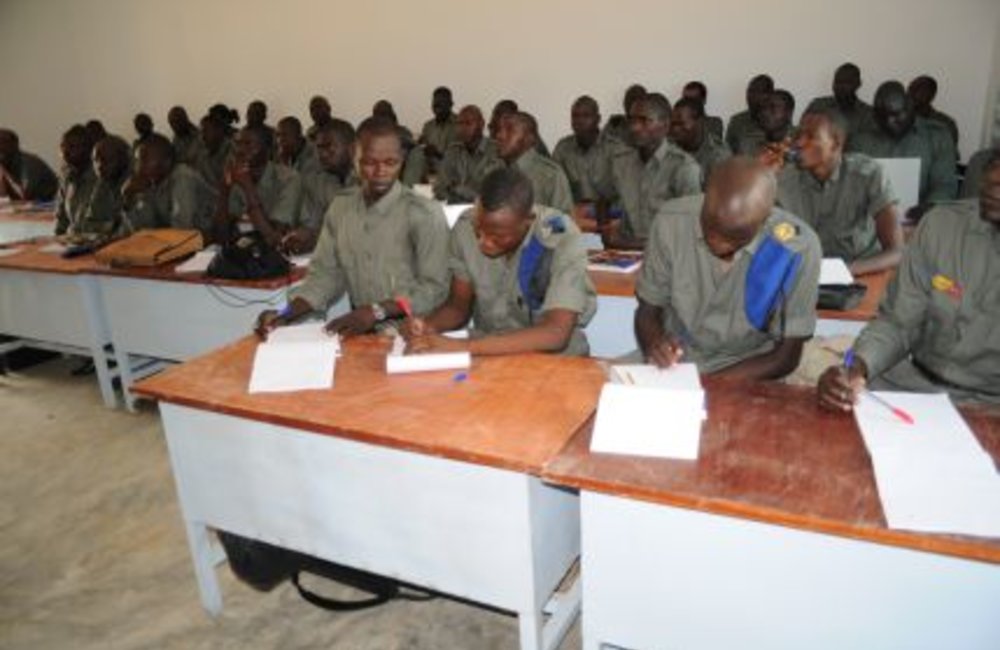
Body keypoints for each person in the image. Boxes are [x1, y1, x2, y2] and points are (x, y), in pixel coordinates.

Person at [817, 153, 1000, 408]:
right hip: (910, 384)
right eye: (994, 164)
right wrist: (857, 367)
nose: (992, 178)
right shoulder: (942, 226)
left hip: (989, 405)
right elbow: (898, 322)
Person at [255, 119, 449, 338]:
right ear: (354, 157)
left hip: (415, 333)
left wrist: (378, 310)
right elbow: (324, 275)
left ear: (402, 161)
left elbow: (435, 289)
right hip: (363, 333)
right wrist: (286, 314)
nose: (380, 171)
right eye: (369, 162)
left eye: (390, 162)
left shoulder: (424, 213)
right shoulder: (341, 208)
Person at [634, 156, 821, 379]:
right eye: (709, 226)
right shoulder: (671, 222)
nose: (717, 243)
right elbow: (647, 311)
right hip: (678, 361)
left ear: (764, 220)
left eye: (734, 237)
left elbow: (786, 357)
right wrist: (655, 344)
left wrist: (710, 385)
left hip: (750, 369)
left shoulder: (796, 249)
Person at [403, 167, 596, 356]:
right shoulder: (464, 227)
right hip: (488, 349)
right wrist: (428, 326)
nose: (484, 242)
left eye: (498, 237)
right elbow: (458, 307)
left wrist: (464, 347)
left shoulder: (559, 237)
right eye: (478, 230)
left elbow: (555, 333)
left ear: (528, 221)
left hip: (550, 358)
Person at [776, 109, 903, 275]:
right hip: (806, 274)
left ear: (836, 144)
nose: (799, 143)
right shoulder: (784, 179)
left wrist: (842, 271)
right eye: (798, 135)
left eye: (810, 137)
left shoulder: (868, 174)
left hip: (861, 272)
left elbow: (896, 252)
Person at [605, 93, 701, 249]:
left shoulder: (683, 167)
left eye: (644, 121)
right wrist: (606, 230)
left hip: (667, 255)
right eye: (632, 120)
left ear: (665, 125)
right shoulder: (621, 162)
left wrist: (631, 244)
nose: (635, 128)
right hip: (624, 253)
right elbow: (603, 199)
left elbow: (690, 231)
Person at [850, 81, 957, 219]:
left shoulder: (936, 137)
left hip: (923, 220)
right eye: (883, 116)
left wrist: (928, 208)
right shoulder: (861, 140)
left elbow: (944, 185)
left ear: (910, 107)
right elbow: (850, 186)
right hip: (869, 221)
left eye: (896, 114)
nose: (889, 122)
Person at [213, 125, 303, 249]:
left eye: (248, 144)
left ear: (268, 150)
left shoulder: (289, 179)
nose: (240, 150)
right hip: (241, 250)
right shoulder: (237, 177)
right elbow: (220, 236)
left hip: (278, 254)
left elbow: (274, 238)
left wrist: (248, 187)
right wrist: (224, 189)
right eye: (238, 144)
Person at [122, 133, 216, 234]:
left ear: (166, 162)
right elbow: (144, 227)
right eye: (138, 160)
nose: (138, 166)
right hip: (188, 238)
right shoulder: (153, 183)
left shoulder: (183, 177)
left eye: (144, 159)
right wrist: (129, 199)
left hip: (213, 237)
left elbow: (182, 229)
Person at [298, 120, 358, 252]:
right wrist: (302, 238)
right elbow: (312, 225)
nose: (323, 154)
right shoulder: (319, 180)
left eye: (329, 147)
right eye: (319, 148)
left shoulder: (371, 181)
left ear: (352, 148)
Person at [495, 111, 573, 213]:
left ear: (529, 139)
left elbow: (562, 219)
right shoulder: (493, 170)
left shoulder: (549, 174)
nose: (500, 136)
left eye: (510, 130)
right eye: (499, 130)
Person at [552, 95, 614, 206]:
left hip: (609, 212)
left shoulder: (614, 148)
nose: (580, 121)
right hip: (573, 212)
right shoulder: (563, 148)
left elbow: (625, 192)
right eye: (575, 116)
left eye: (586, 116)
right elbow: (554, 186)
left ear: (598, 119)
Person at [433, 105, 502, 203]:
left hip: (483, 208)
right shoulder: (453, 151)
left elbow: (492, 191)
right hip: (454, 206)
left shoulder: (495, 151)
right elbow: (440, 187)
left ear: (481, 124)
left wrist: (456, 189)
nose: (462, 129)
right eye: (459, 124)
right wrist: (456, 197)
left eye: (468, 123)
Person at [805, 63, 876, 145]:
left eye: (847, 82)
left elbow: (870, 144)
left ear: (858, 84)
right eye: (837, 82)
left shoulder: (868, 114)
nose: (841, 87)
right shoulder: (818, 106)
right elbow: (803, 135)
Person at [669, 97, 731, 187]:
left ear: (699, 122)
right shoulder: (669, 147)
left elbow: (719, 192)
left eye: (681, 123)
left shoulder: (719, 155)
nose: (675, 129)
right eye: (673, 124)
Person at [82, 135, 132, 236]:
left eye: (106, 160)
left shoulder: (136, 182)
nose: (99, 166)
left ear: (123, 159)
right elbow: (87, 224)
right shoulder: (103, 182)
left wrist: (107, 227)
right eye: (95, 160)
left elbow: (132, 227)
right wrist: (111, 225)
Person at [53, 124, 98, 236]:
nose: (65, 152)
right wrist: (57, 238)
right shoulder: (66, 175)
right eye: (63, 146)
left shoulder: (99, 176)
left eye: (72, 147)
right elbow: (61, 217)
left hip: (94, 238)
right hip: (72, 239)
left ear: (88, 149)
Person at [734, 89, 795, 160]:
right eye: (764, 107)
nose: (765, 112)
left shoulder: (800, 141)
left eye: (773, 107)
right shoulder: (748, 143)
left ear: (788, 113)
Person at [0, 128, 58, 201]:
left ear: (14, 145)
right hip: (27, 204)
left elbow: (27, 195)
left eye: (3, 142)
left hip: (47, 204)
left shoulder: (29, 164)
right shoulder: (5, 163)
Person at [908, 75, 959, 155]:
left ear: (931, 95)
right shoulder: (899, 120)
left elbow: (949, 154)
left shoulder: (945, 123)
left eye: (918, 90)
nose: (911, 93)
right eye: (910, 89)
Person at [725, 74, 773, 153]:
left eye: (758, 92)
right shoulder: (736, 121)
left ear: (769, 95)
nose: (751, 96)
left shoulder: (777, 119)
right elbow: (727, 152)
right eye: (750, 91)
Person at [419, 86, 458, 170]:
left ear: (451, 104)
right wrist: (419, 147)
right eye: (435, 102)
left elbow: (460, 158)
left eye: (441, 102)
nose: (437, 105)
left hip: (452, 174)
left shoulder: (460, 124)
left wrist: (437, 153)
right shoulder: (428, 126)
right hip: (429, 173)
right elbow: (422, 150)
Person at [197, 113, 233, 188]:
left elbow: (228, 183)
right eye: (202, 131)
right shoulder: (203, 154)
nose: (203, 136)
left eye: (206, 131)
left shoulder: (233, 152)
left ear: (219, 131)